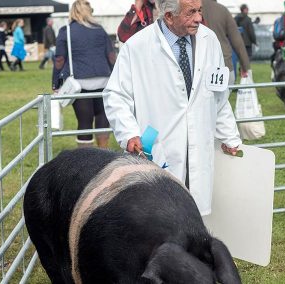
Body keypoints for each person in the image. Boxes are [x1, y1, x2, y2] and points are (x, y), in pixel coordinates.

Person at [103, 0, 242, 215]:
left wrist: (230, 137)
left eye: (200, 11)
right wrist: (129, 133)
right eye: (191, 13)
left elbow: (218, 96)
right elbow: (116, 94)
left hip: (198, 146)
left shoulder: (209, 40)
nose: (198, 18)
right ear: (169, 16)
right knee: (158, 217)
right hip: (157, 145)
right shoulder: (138, 45)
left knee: (195, 217)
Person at [52, 0, 116, 148]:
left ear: (73, 11)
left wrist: (55, 83)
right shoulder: (100, 29)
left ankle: (86, 159)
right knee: (102, 117)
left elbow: (60, 60)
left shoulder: (66, 31)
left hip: (80, 83)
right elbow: (111, 55)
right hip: (104, 80)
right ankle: (103, 153)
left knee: (84, 121)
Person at [202, 0, 250, 84]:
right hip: (223, 65)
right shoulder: (222, 10)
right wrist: (245, 67)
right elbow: (237, 41)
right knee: (223, 96)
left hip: (198, 66)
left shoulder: (189, 8)